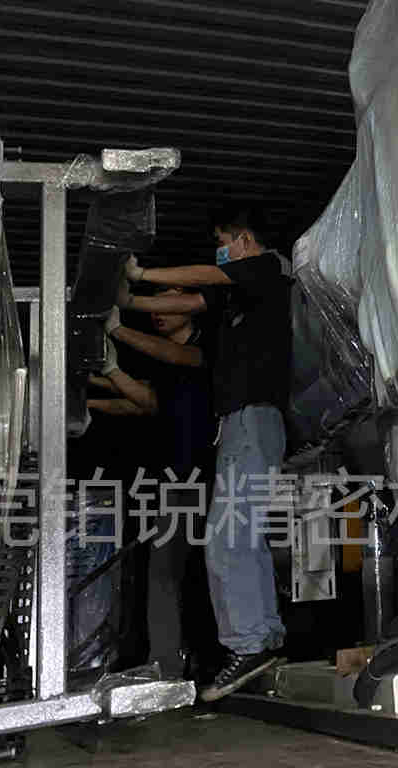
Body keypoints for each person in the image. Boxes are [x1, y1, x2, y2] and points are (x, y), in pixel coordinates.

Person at [120, 205, 292, 701]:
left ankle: (249, 643)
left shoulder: (267, 268)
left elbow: (205, 278)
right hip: (245, 424)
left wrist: (141, 275)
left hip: (251, 418)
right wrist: (130, 303)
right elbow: (193, 299)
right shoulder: (239, 299)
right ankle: (264, 638)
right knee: (244, 535)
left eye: (222, 242)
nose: (219, 253)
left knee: (226, 538)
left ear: (244, 241)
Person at [86, 289, 214, 673]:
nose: (158, 311)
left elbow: (150, 396)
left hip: (197, 477)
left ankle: (170, 664)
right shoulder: (167, 362)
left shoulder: (203, 347)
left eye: (167, 303)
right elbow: (143, 401)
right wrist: (90, 400)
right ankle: (176, 661)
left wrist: (117, 340)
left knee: (170, 572)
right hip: (174, 478)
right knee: (170, 571)